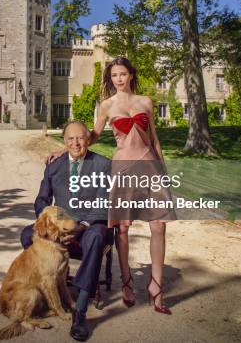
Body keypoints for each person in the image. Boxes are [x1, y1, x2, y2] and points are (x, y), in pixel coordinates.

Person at [47, 56, 176, 315]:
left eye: (123, 74)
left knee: (158, 226)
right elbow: (92, 136)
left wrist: (163, 172)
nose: (119, 79)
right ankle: (127, 283)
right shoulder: (106, 105)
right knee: (124, 229)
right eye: (115, 75)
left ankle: (156, 286)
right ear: (111, 78)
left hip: (149, 166)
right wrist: (66, 148)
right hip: (123, 168)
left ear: (130, 75)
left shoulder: (146, 102)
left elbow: (155, 139)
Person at [20, 120, 113, 341]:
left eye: (80, 138)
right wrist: (49, 223)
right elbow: (42, 199)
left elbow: (102, 205)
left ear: (88, 140)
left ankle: (79, 311)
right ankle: (55, 284)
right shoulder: (54, 165)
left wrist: (81, 228)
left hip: (90, 224)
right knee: (26, 235)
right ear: (64, 141)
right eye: (71, 138)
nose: (76, 143)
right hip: (59, 229)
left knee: (98, 236)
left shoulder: (102, 165)